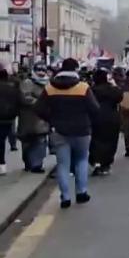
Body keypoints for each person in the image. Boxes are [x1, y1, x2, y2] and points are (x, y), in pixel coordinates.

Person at [35, 59, 100, 209]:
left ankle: (65, 196)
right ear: (75, 70)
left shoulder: (50, 88)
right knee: (82, 160)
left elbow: (38, 108)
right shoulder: (83, 88)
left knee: (63, 164)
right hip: (82, 130)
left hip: (59, 130)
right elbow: (95, 109)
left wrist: (51, 119)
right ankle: (81, 192)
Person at [89, 69, 123, 176]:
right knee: (111, 141)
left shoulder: (92, 90)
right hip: (111, 118)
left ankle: (96, 161)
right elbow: (119, 97)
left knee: (95, 140)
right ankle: (106, 164)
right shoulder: (113, 90)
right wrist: (114, 85)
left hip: (95, 117)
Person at [18, 63, 50, 173]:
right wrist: (40, 102)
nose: (41, 73)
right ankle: (28, 163)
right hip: (28, 117)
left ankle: (37, 165)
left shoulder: (48, 83)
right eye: (39, 70)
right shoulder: (27, 82)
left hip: (42, 118)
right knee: (27, 142)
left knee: (40, 141)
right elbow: (25, 98)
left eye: (43, 70)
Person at [0, 68, 20, 175]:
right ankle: (2, 164)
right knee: (2, 140)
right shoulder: (12, 89)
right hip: (8, 118)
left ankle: (1, 163)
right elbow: (17, 102)